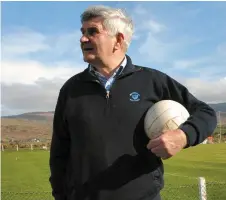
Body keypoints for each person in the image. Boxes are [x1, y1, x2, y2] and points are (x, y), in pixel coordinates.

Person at [49, 5, 217, 200]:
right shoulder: (71, 89)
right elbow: (59, 153)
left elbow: (206, 112)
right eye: (83, 32)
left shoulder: (152, 81)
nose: (83, 38)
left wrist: (182, 136)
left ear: (118, 40)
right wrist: (60, 195)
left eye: (92, 31)